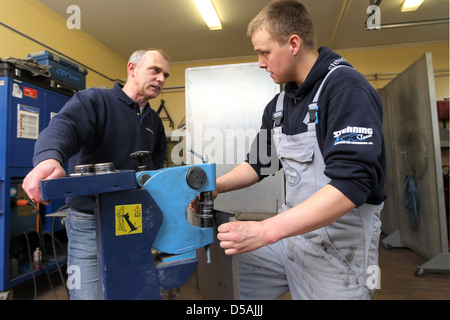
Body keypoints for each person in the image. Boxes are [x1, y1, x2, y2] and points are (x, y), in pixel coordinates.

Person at [211, 1, 386, 299]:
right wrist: (215, 186)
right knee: (228, 276)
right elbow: (258, 164)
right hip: (290, 237)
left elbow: (352, 185)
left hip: (338, 248)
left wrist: (265, 230)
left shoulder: (345, 88)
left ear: (293, 43)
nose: (260, 63)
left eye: (264, 52)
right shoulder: (279, 105)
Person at [22, 49, 170, 299]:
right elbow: (64, 126)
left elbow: (156, 169)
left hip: (131, 220)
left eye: (165, 74)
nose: (162, 78)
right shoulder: (94, 101)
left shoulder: (154, 121)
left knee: (132, 291)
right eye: (155, 70)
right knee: (88, 294)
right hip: (88, 221)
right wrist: (49, 158)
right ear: (132, 69)